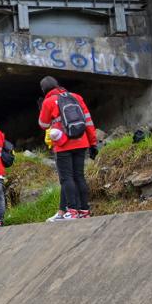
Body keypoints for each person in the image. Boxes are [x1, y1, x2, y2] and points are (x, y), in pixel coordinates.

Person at [38, 76, 98, 220]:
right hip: (81, 141)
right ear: (58, 84)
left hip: (63, 144)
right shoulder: (76, 97)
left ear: (44, 89)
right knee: (79, 176)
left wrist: (42, 108)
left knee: (67, 178)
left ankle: (72, 211)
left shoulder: (48, 101)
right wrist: (93, 143)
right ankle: (84, 211)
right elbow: (88, 121)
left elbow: (43, 124)